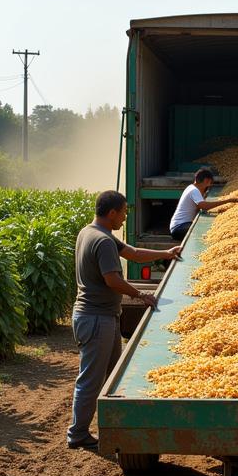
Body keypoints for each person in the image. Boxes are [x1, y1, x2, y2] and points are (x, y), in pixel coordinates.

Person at [67, 190, 182, 450]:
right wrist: (141, 294)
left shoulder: (90, 232)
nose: (124, 218)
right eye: (123, 213)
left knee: (114, 376)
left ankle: (118, 427)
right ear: (112, 213)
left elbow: (133, 253)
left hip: (98, 317)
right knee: (91, 380)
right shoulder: (104, 242)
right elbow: (113, 280)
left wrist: (166, 253)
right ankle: (78, 434)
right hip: (96, 318)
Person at [169, 167, 238, 242]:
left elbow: (199, 207)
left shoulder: (190, 187)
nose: (209, 185)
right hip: (179, 228)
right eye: (210, 183)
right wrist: (228, 201)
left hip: (178, 226)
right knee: (208, 230)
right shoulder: (194, 190)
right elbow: (204, 206)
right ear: (207, 181)